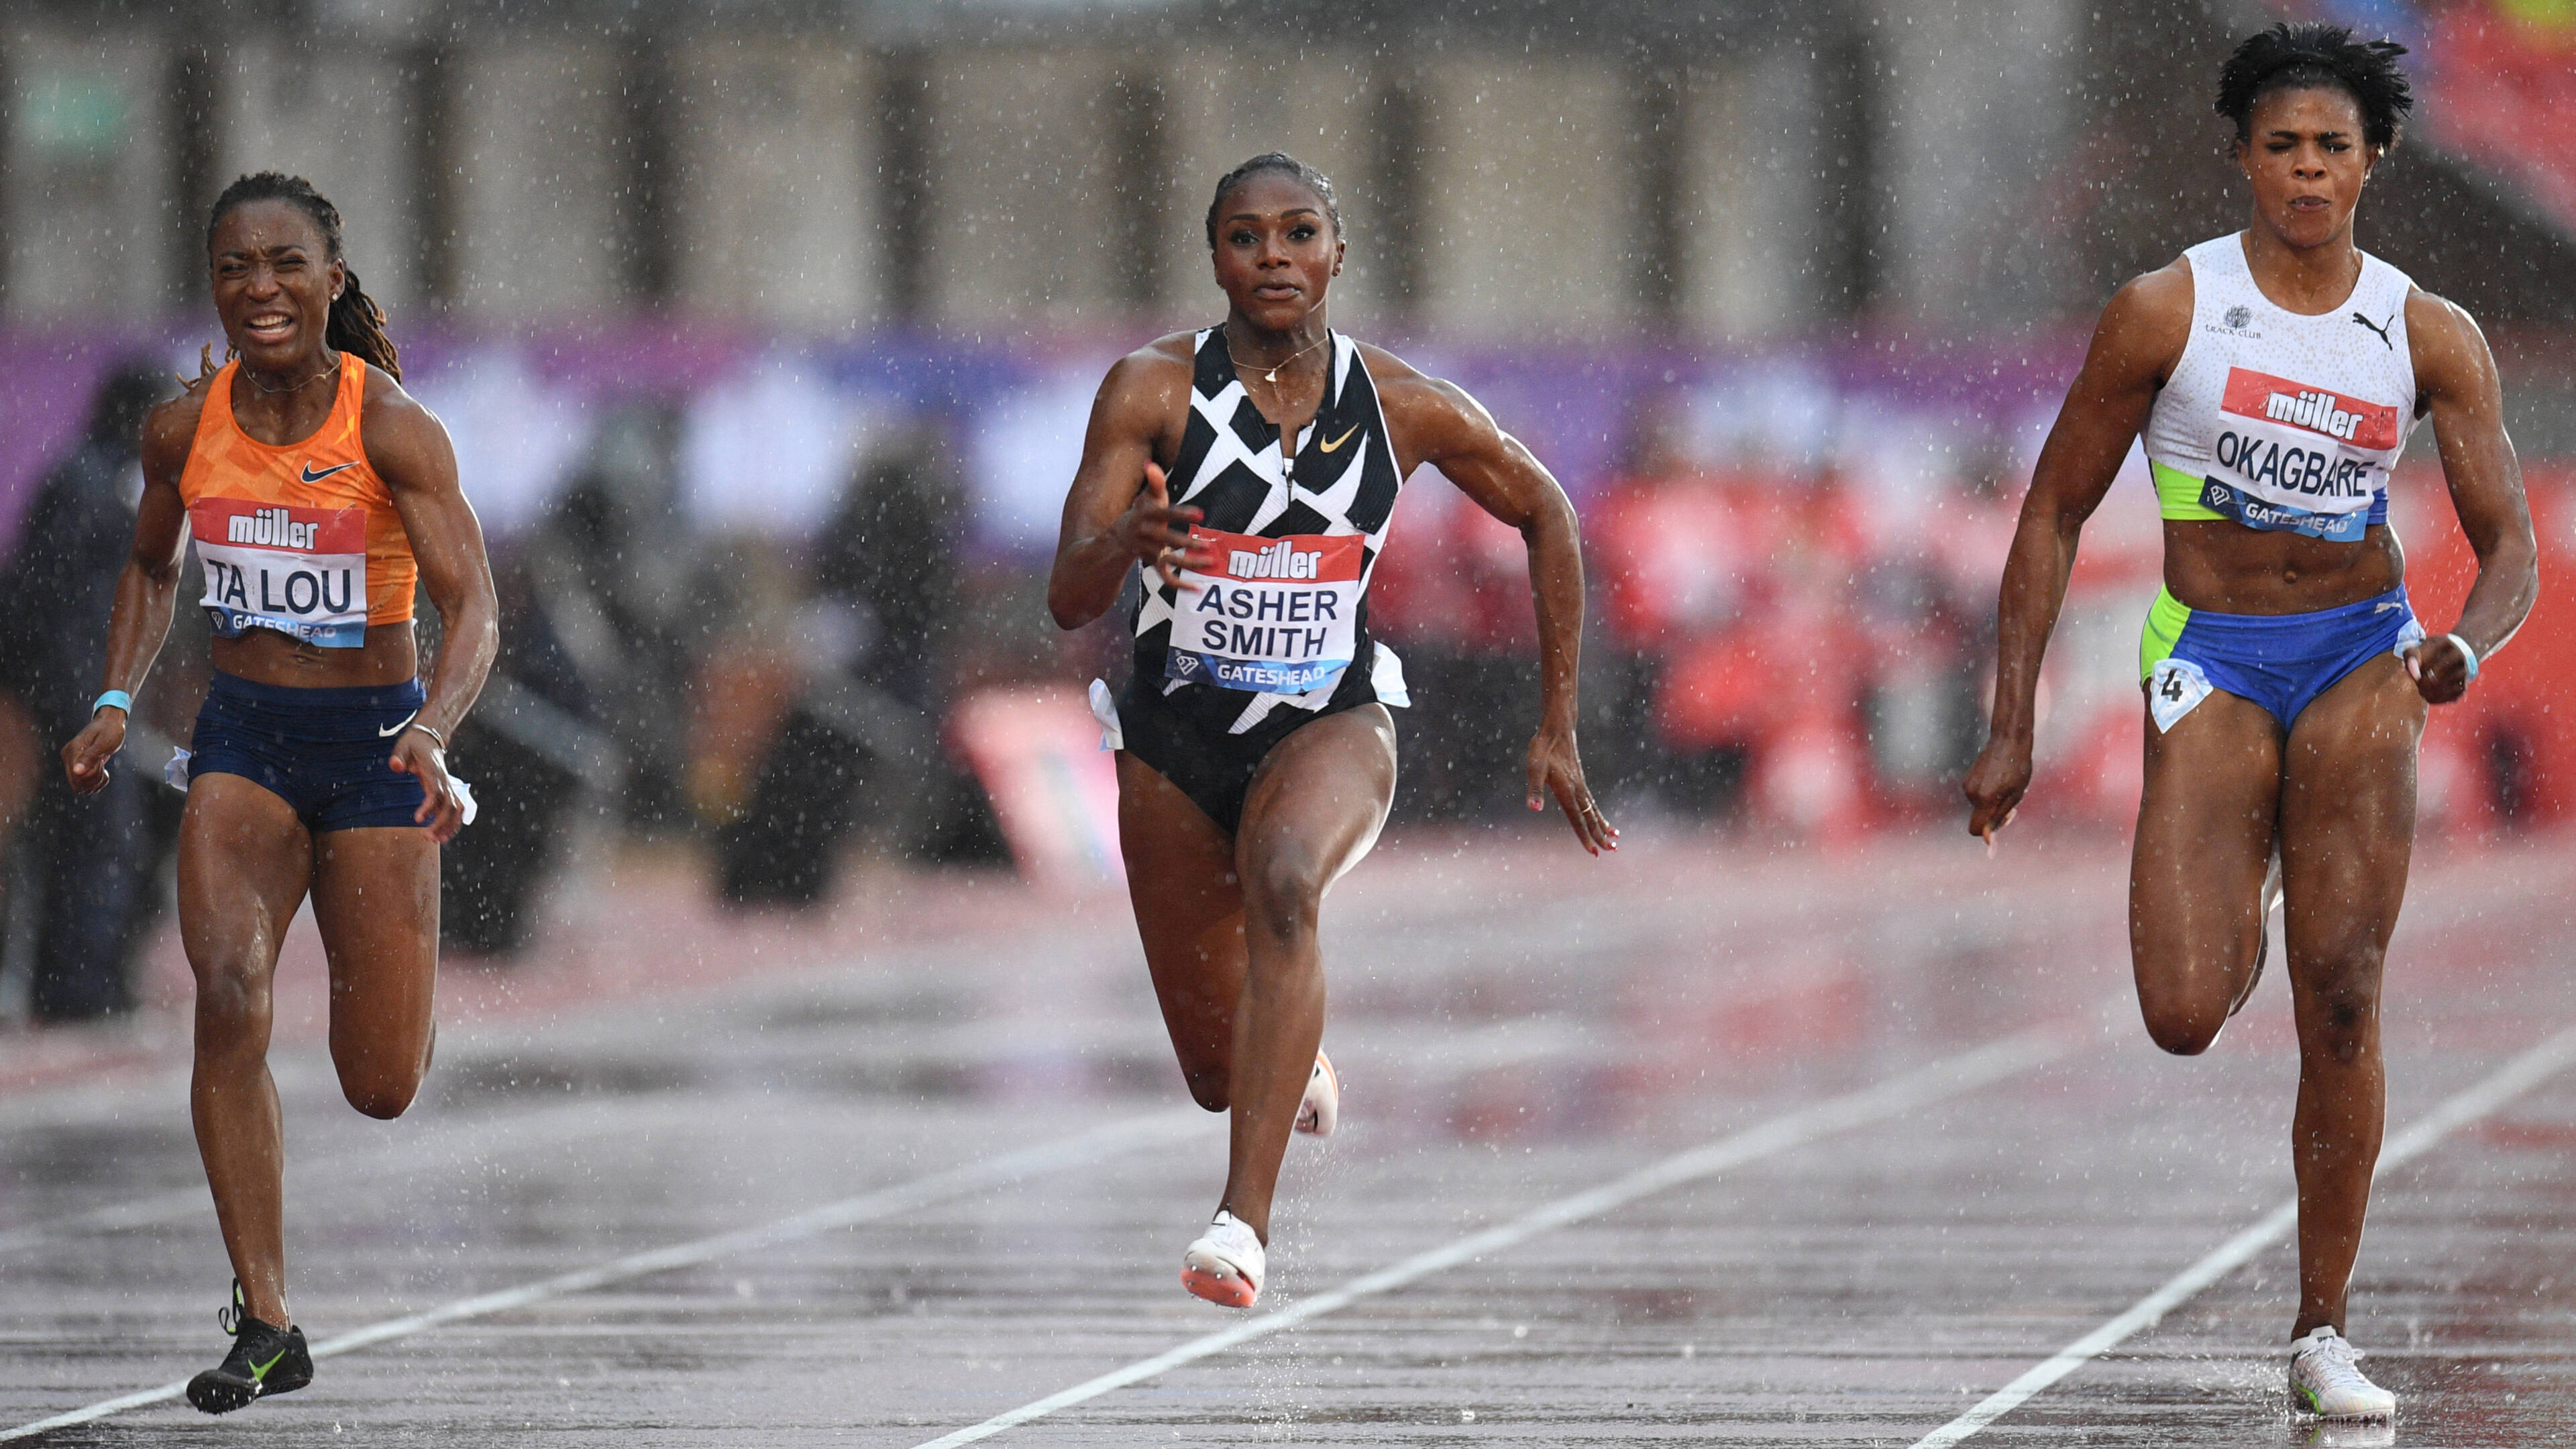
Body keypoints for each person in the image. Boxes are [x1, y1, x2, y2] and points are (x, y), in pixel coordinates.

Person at [1964, 25, 2536, 1422]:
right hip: (2212, 653)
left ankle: (2324, 1327)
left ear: (2372, 161)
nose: (2305, 168)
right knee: (2179, 1013)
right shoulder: (2166, 311)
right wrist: (2012, 720)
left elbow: (2506, 539)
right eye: (2281, 144)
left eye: (2331, 146)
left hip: (2358, 657)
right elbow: (2049, 511)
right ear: (2242, 158)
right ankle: (2252, 882)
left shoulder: (2424, 333)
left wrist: (2462, 642)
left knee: (2343, 997)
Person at [1049, 154, 1615, 1309]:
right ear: (1214, 258)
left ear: (1337, 256)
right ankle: (1285, 1054)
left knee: (1290, 879)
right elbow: (1067, 593)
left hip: (1336, 718)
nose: (1273, 259)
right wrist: (1128, 541)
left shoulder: (1400, 405)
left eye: (1298, 234)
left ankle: (1240, 1227)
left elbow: (1547, 510)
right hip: (1172, 733)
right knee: (1218, 1071)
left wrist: (1557, 722)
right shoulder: (1150, 392)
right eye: (1246, 238)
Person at [58, 172, 498, 1413]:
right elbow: (151, 566)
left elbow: (476, 609)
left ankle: (403, 948)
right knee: (230, 990)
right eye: (237, 266)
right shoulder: (180, 427)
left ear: (332, 281)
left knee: (381, 1084)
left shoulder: (394, 427)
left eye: (286, 263)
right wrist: (112, 700)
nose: (261, 288)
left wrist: (434, 729)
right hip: (243, 737)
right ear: (214, 283)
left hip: (375, 743)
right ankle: (265, 1316)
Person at [0, 361, 172, 1020]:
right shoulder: (87, 486)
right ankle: (77, 990)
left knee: (108, 837)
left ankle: (85, 980)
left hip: (87, 695)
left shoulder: (104, 483)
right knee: (95, 837)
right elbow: (45, 602)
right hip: (78, 700)